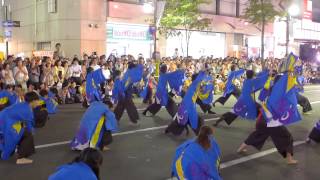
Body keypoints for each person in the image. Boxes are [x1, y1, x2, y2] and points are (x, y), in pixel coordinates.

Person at [237, 71, 300, 165]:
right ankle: (289, 160)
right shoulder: (279, 94)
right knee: (287, 137)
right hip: (271, 122)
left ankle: (240, 149)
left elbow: (260, 99)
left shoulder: (269, 89)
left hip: (262, 119)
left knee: (257, 134)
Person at [0, 92, 40, 164]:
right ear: (33, 101)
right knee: (27, 135)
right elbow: (30, 126)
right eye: (38, 101)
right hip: (4, 121)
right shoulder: (28, 110)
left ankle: (7, 151)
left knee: (21, 133)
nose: (39, 103)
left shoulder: (24, 105)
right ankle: (21, 158)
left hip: (4, 119)